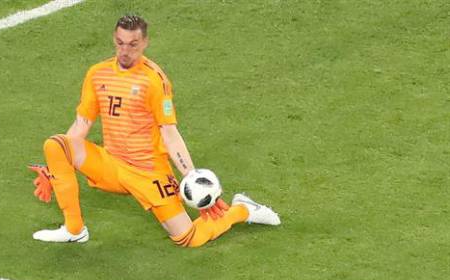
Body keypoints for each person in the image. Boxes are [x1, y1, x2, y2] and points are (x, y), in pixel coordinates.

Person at [29, 15, 280, 246]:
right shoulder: (97, 74)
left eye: (133, 44)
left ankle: (242, 210)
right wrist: (55, 169)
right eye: (120, 43)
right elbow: (82, 123)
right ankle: (75, 230)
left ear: (145, 42)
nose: (125, 51)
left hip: (148, 172)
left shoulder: (154, 80)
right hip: (111, 164)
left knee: (187, 238)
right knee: (56, 144)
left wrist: (191, 176)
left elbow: (169, 133)